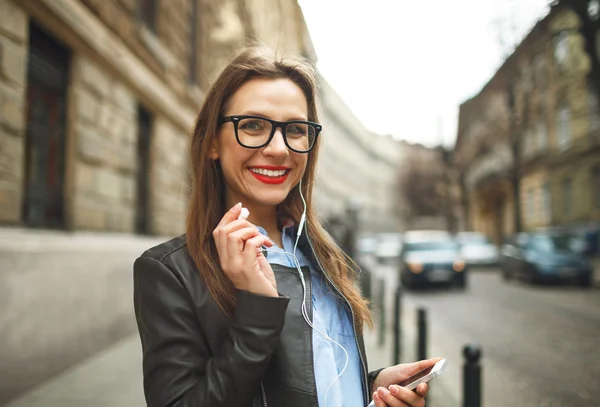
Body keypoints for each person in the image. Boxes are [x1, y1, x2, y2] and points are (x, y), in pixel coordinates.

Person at [133, 45, 440, 407]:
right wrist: (257, 311)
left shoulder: (322, 254)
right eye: (252, 125)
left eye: (295, 129)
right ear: (212, 142)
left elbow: (309, 376)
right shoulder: (170, 271)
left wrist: (368, 387)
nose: (279, 148)